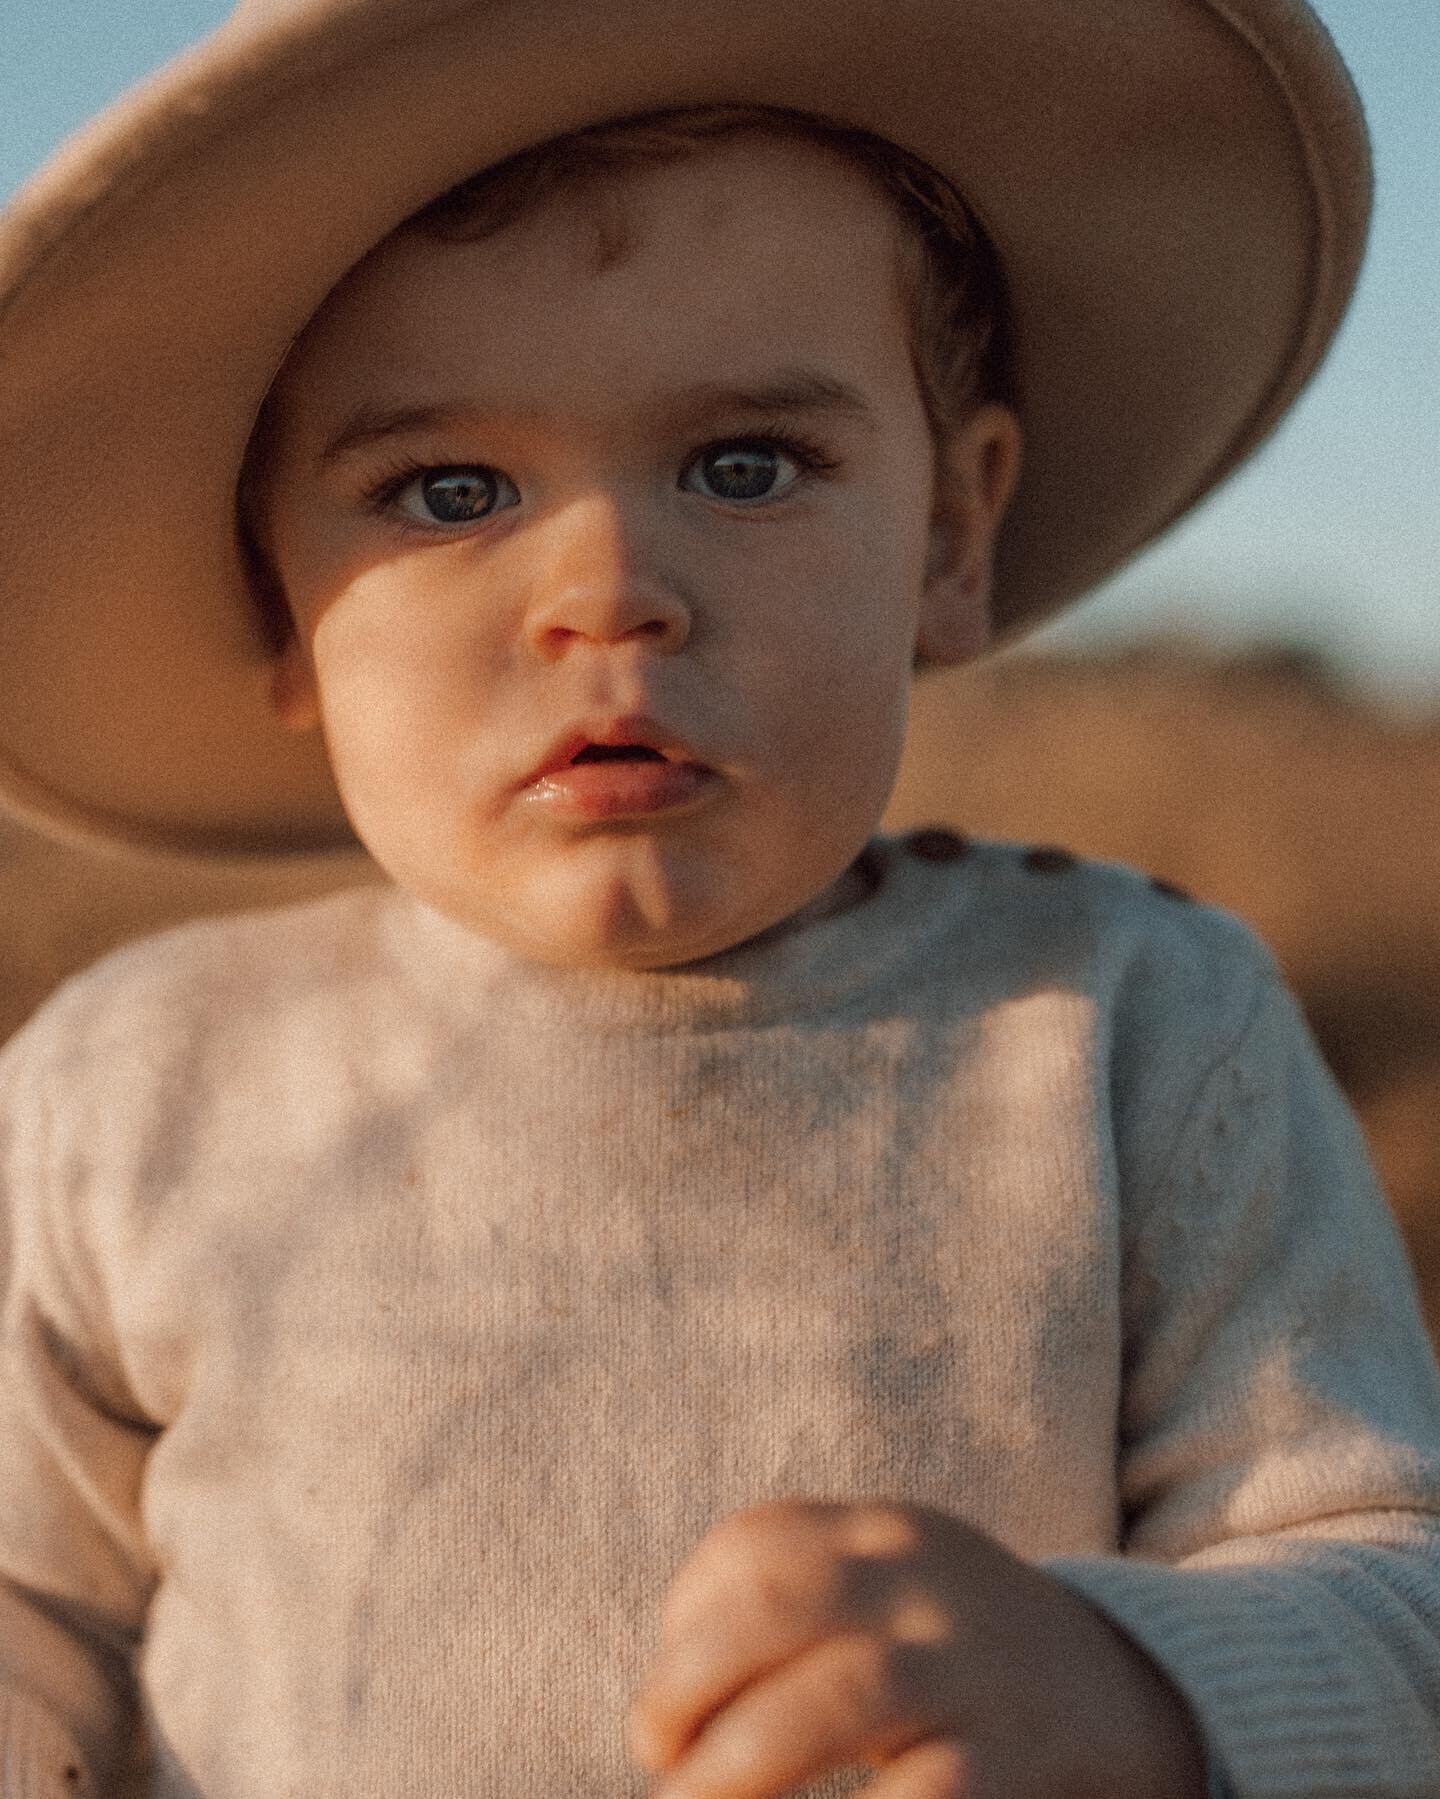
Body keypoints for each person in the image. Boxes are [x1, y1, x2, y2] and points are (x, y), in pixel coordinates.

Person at [0, 3, 1435, 1796]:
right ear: (284, 610)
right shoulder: (130, 1085)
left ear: (948, 538)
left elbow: (1393, 1600)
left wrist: (1138, 1690)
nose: (609, 591)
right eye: (450, 490)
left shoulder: (1128, 1029)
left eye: (744, 464)